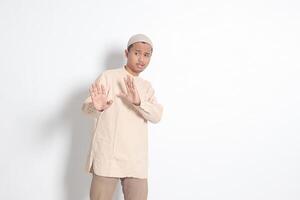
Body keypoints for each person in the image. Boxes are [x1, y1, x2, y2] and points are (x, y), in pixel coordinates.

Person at [81, 33, 163, 200]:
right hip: (108, 155)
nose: (141, 59)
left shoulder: (146, 87)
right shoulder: (108, 77)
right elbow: (86, 109)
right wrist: (97, 107)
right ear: (127, 53)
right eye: (137, 53)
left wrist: (139, 102)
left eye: (147, 55)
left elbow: (157, 116)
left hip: (135, 160)